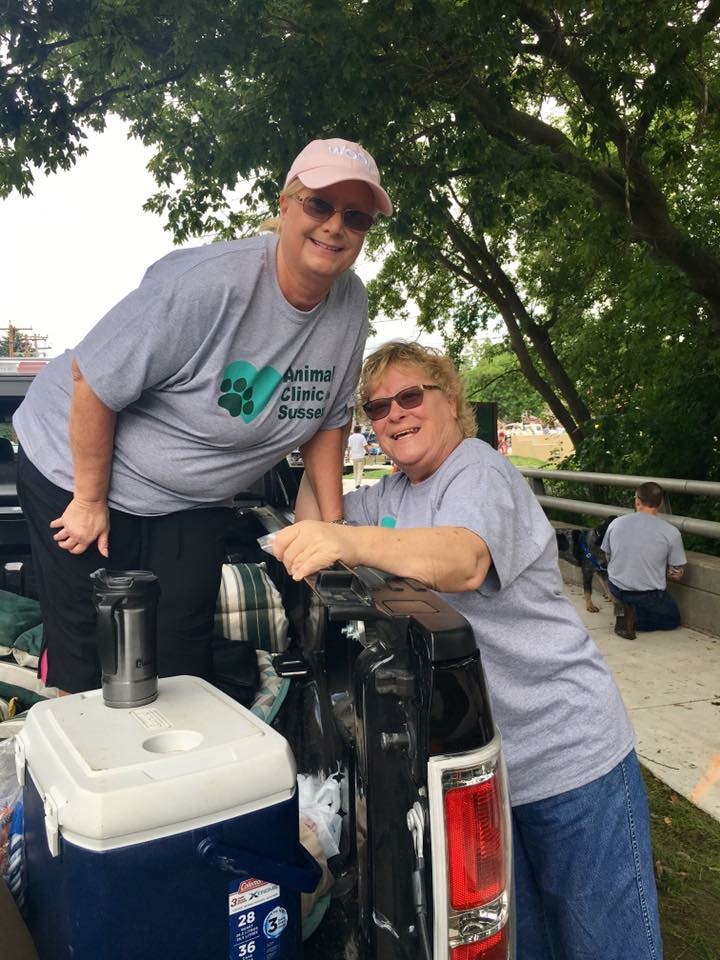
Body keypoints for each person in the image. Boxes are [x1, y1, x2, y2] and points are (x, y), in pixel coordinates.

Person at [274, 341, 663, 960]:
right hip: (492, 770)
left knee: (604, 944)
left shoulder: (477, 470)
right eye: (376, 408)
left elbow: (462, 558)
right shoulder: (392, 495)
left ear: (451, 401)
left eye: (409, 396)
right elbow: (313, 521)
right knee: (522, 943)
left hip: (569, 754)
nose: (394, 415)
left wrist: (346, 537)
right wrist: (323, 432)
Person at [13, 137, 392, 694]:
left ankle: (175, 769)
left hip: (191, 498)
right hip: (73, 469)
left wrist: (329, 531)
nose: (335, 225)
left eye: (355, 216)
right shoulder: (208, 282)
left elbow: (329, 420)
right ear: (285, 205)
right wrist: (90, 500)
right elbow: (91, 380)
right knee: (89, 651)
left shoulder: (350, 305)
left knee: (180, 656)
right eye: (319, 205)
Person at [601, 482, 686, 639]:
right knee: (672, 620)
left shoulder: (616, 523)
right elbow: (676, 573)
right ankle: (636, 619)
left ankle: (622, 612)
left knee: (623, 597)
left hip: (616, 586)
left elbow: (607, 556)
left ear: (637, 500)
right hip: (648, 594)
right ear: (660, 503)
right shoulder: (671, 532)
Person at [346, 424, 369, 488]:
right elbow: (365, 446)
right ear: (360, 430)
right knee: (360, 470)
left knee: (355, 470)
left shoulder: (351, 437)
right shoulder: (362, 437)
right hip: (361, 455)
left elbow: (349, 447)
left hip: (354, 456)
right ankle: (358, 483)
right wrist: (369, 453)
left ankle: (356, 483)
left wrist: (348, 454)